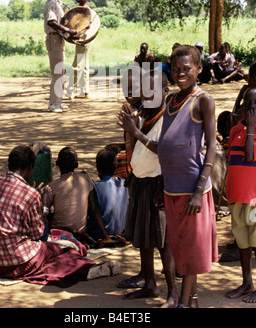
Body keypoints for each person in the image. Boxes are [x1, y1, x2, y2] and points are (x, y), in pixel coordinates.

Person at [0, 145, 119, 287]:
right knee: (64, 250)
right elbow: (38, 235)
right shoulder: (31, 194)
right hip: (18, 261)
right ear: (30, 167)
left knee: (52, 250)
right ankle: (83, 270)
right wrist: (41, 208)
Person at [158, 44, 218, 308]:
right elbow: (165, 144)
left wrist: (198, 190)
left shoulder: (203, 100)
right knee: (180, 247)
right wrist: (136, 134)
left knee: (191, 252)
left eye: (186, 69)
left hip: (192, 191)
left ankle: (183, 303)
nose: (180, 73)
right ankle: (191, 299)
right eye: (176, 69)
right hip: (171, 189)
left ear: (199, 69)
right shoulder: (172, 100)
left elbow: (212, 148)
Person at [116, 70, 178, 308]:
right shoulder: (143, 113)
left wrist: (135, 132)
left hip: (158, 184)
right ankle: (150, 283)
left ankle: (172, 292)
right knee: (144, 237)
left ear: (165, 92)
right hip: (140, 180)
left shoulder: (168, 117)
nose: (148, 95)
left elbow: (162, 149)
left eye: (154, 91)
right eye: (145, 91)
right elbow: (134, 146)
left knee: (164, 241)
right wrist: (129, 126)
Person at [225, 86, 256, 303]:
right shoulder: (236, 129)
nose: (251, 109)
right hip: (236, 195)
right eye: (248, 104)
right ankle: (247, 282)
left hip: (254, 198)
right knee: (242, 242)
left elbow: (249, 155)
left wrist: (252, 127)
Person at [48, 146, 110, 240]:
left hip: (58, 233)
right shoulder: (85, 179)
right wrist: (106, 236)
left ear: (57, 164)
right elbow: (94, 209)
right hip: (80, 234)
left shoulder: (52, 186)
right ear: (76, 165)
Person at [43, 0, 78, 112]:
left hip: (58, 39)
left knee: (60, 71)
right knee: (57, 71)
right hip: (54, 39)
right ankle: (54, 104)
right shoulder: (51, 3)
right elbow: (52, 22)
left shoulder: (57, 2)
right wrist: (68, 30)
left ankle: (57, 101)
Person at [86, 148, 129, 238]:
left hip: (103, 232)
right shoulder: (125, 183)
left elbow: (95, 211)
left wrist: (106, 235)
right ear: (115, 166)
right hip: (121, 231)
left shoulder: (95, 186)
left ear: (97, 168)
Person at [67, 0, 100, 99]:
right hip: (82, 40)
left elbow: (87, 26)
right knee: (84, 64)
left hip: (83, 40)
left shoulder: (86, 11)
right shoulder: (82, 10)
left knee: (77, 65)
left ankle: (71, 90)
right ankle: (84, 91)